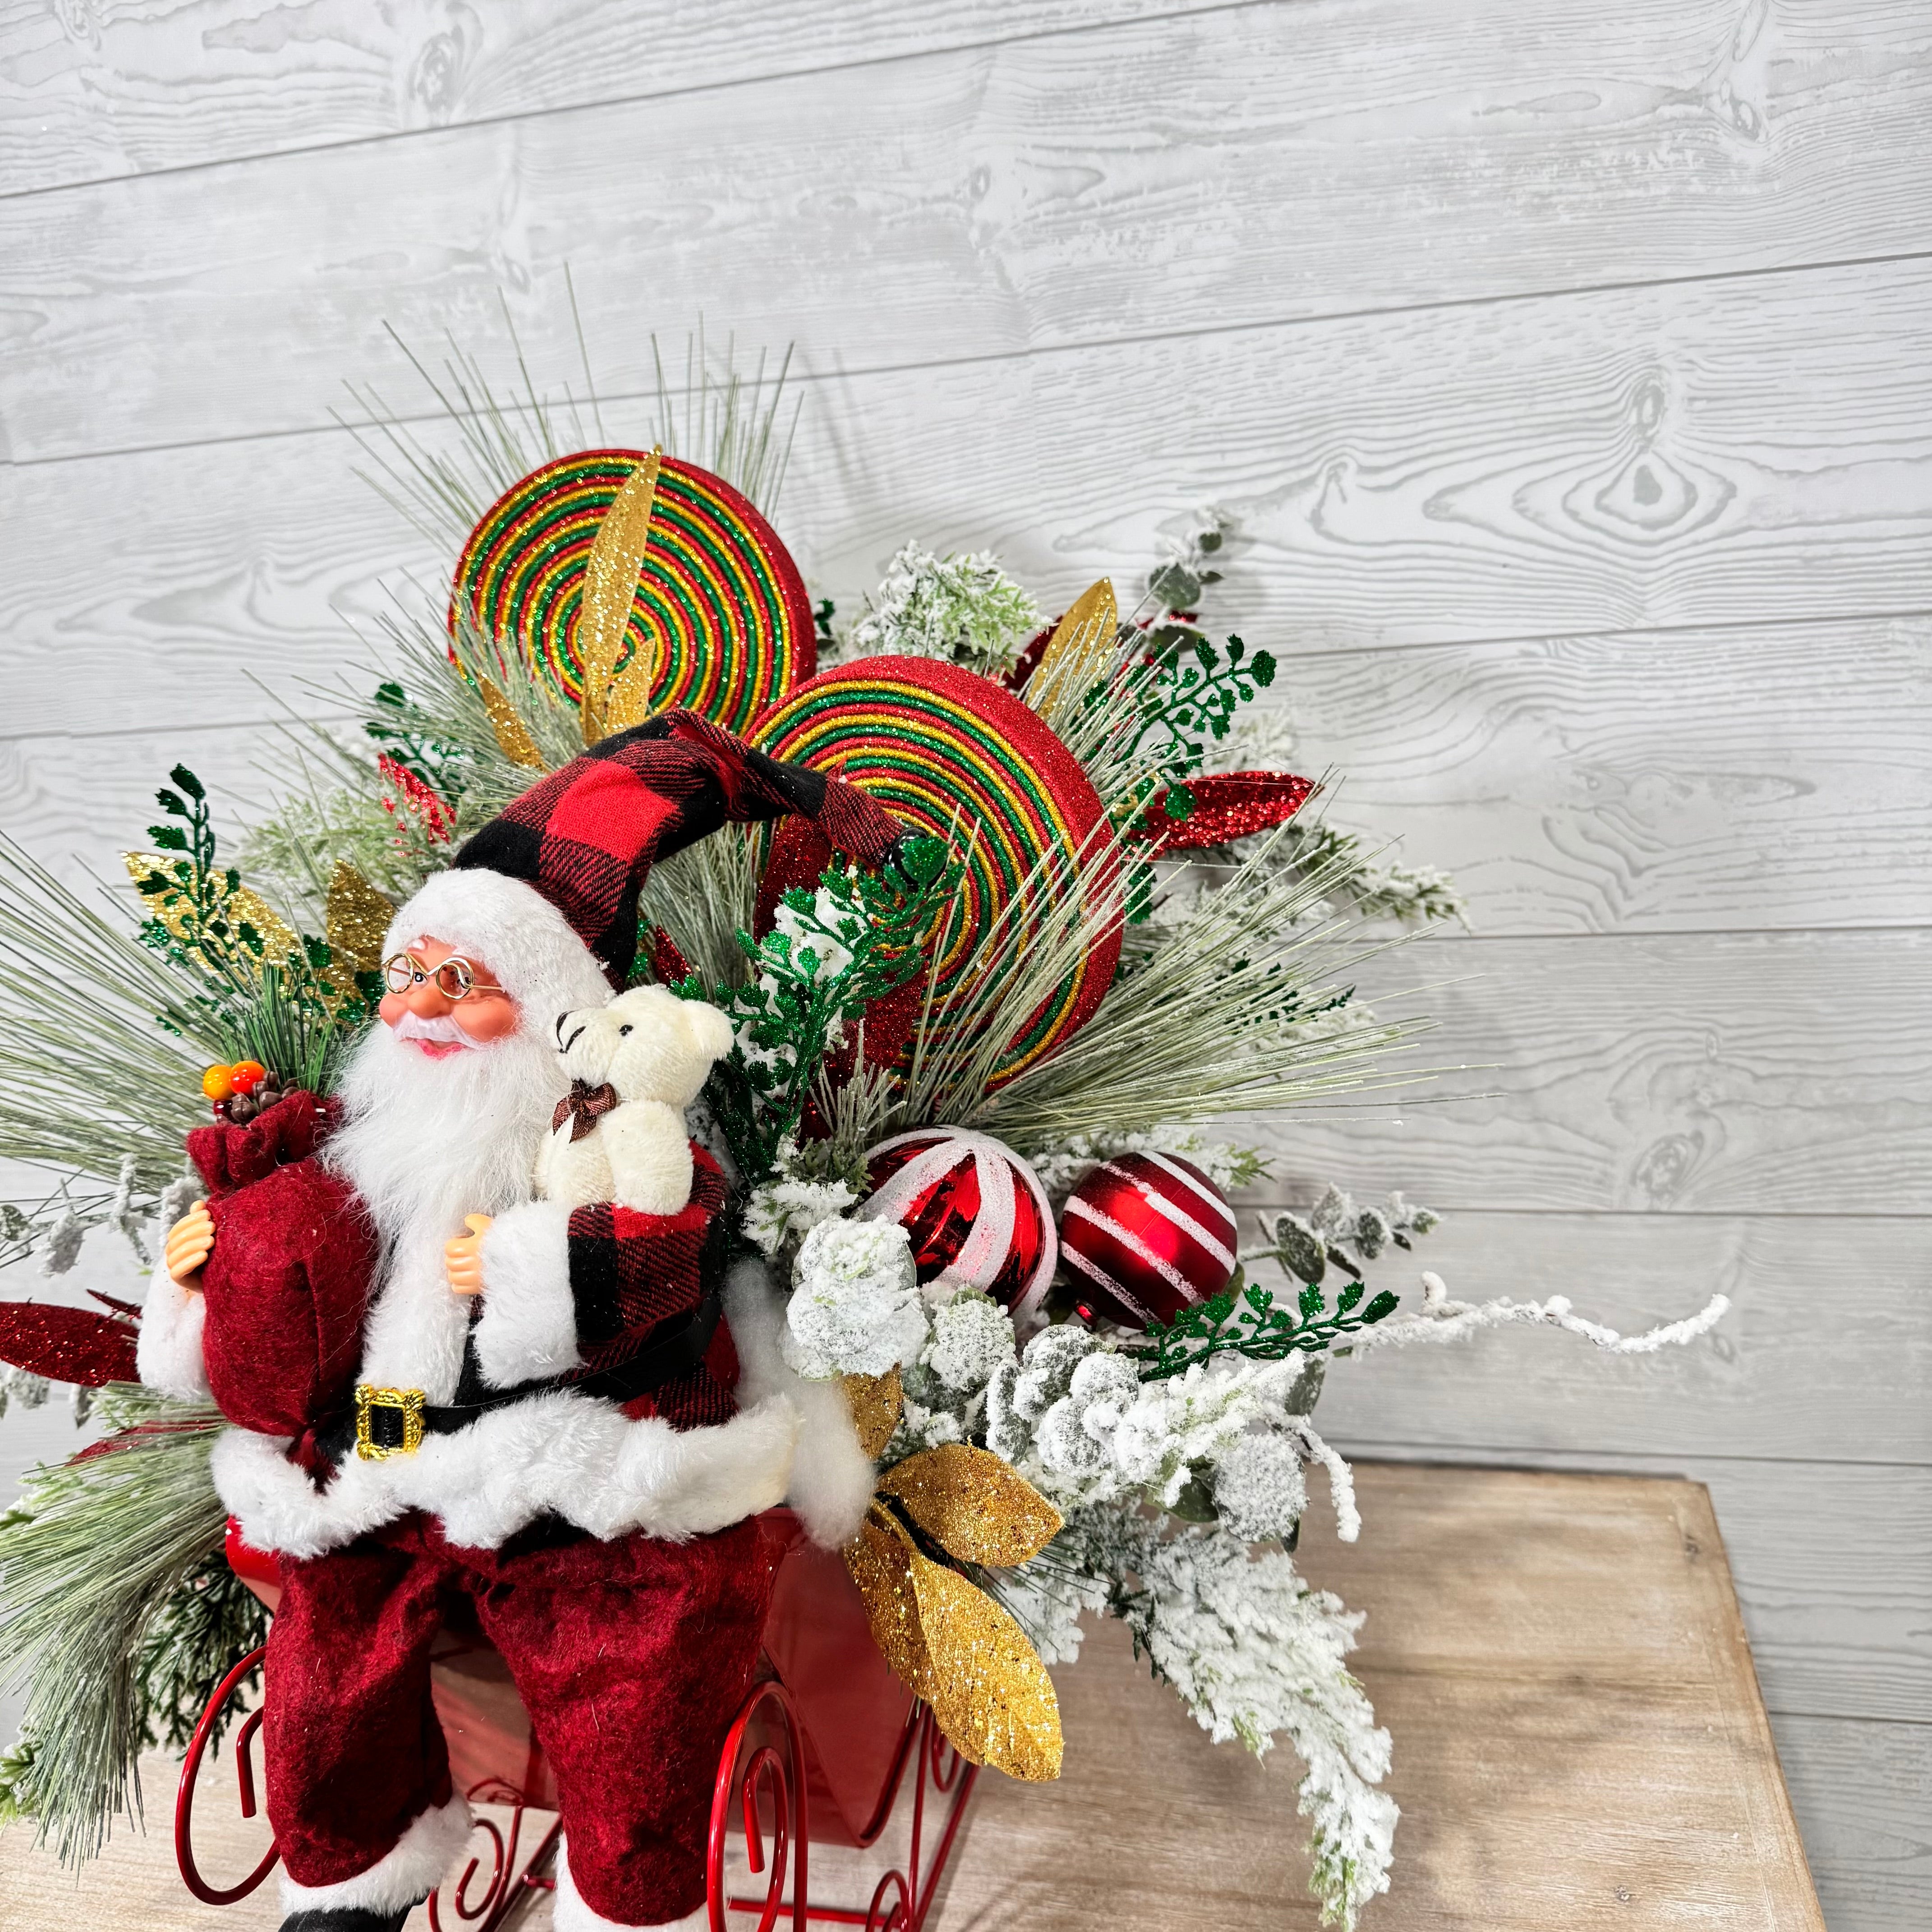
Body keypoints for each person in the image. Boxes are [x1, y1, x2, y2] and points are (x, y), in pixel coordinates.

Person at [142, 713, 892, 1932]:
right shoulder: (361, 1145)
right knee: (328, 1649)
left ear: (554, 1013)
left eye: (463, 983)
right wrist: (204, 1271)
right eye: (407, 974)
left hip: (572, 1473)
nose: (421, 1009)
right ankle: (356, 1871)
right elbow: (297, 1281)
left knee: (635, 1657)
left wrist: (527, 1263)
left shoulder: (620, 1147)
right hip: (386, 1465)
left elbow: (670, 1282)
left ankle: (623, 1893)